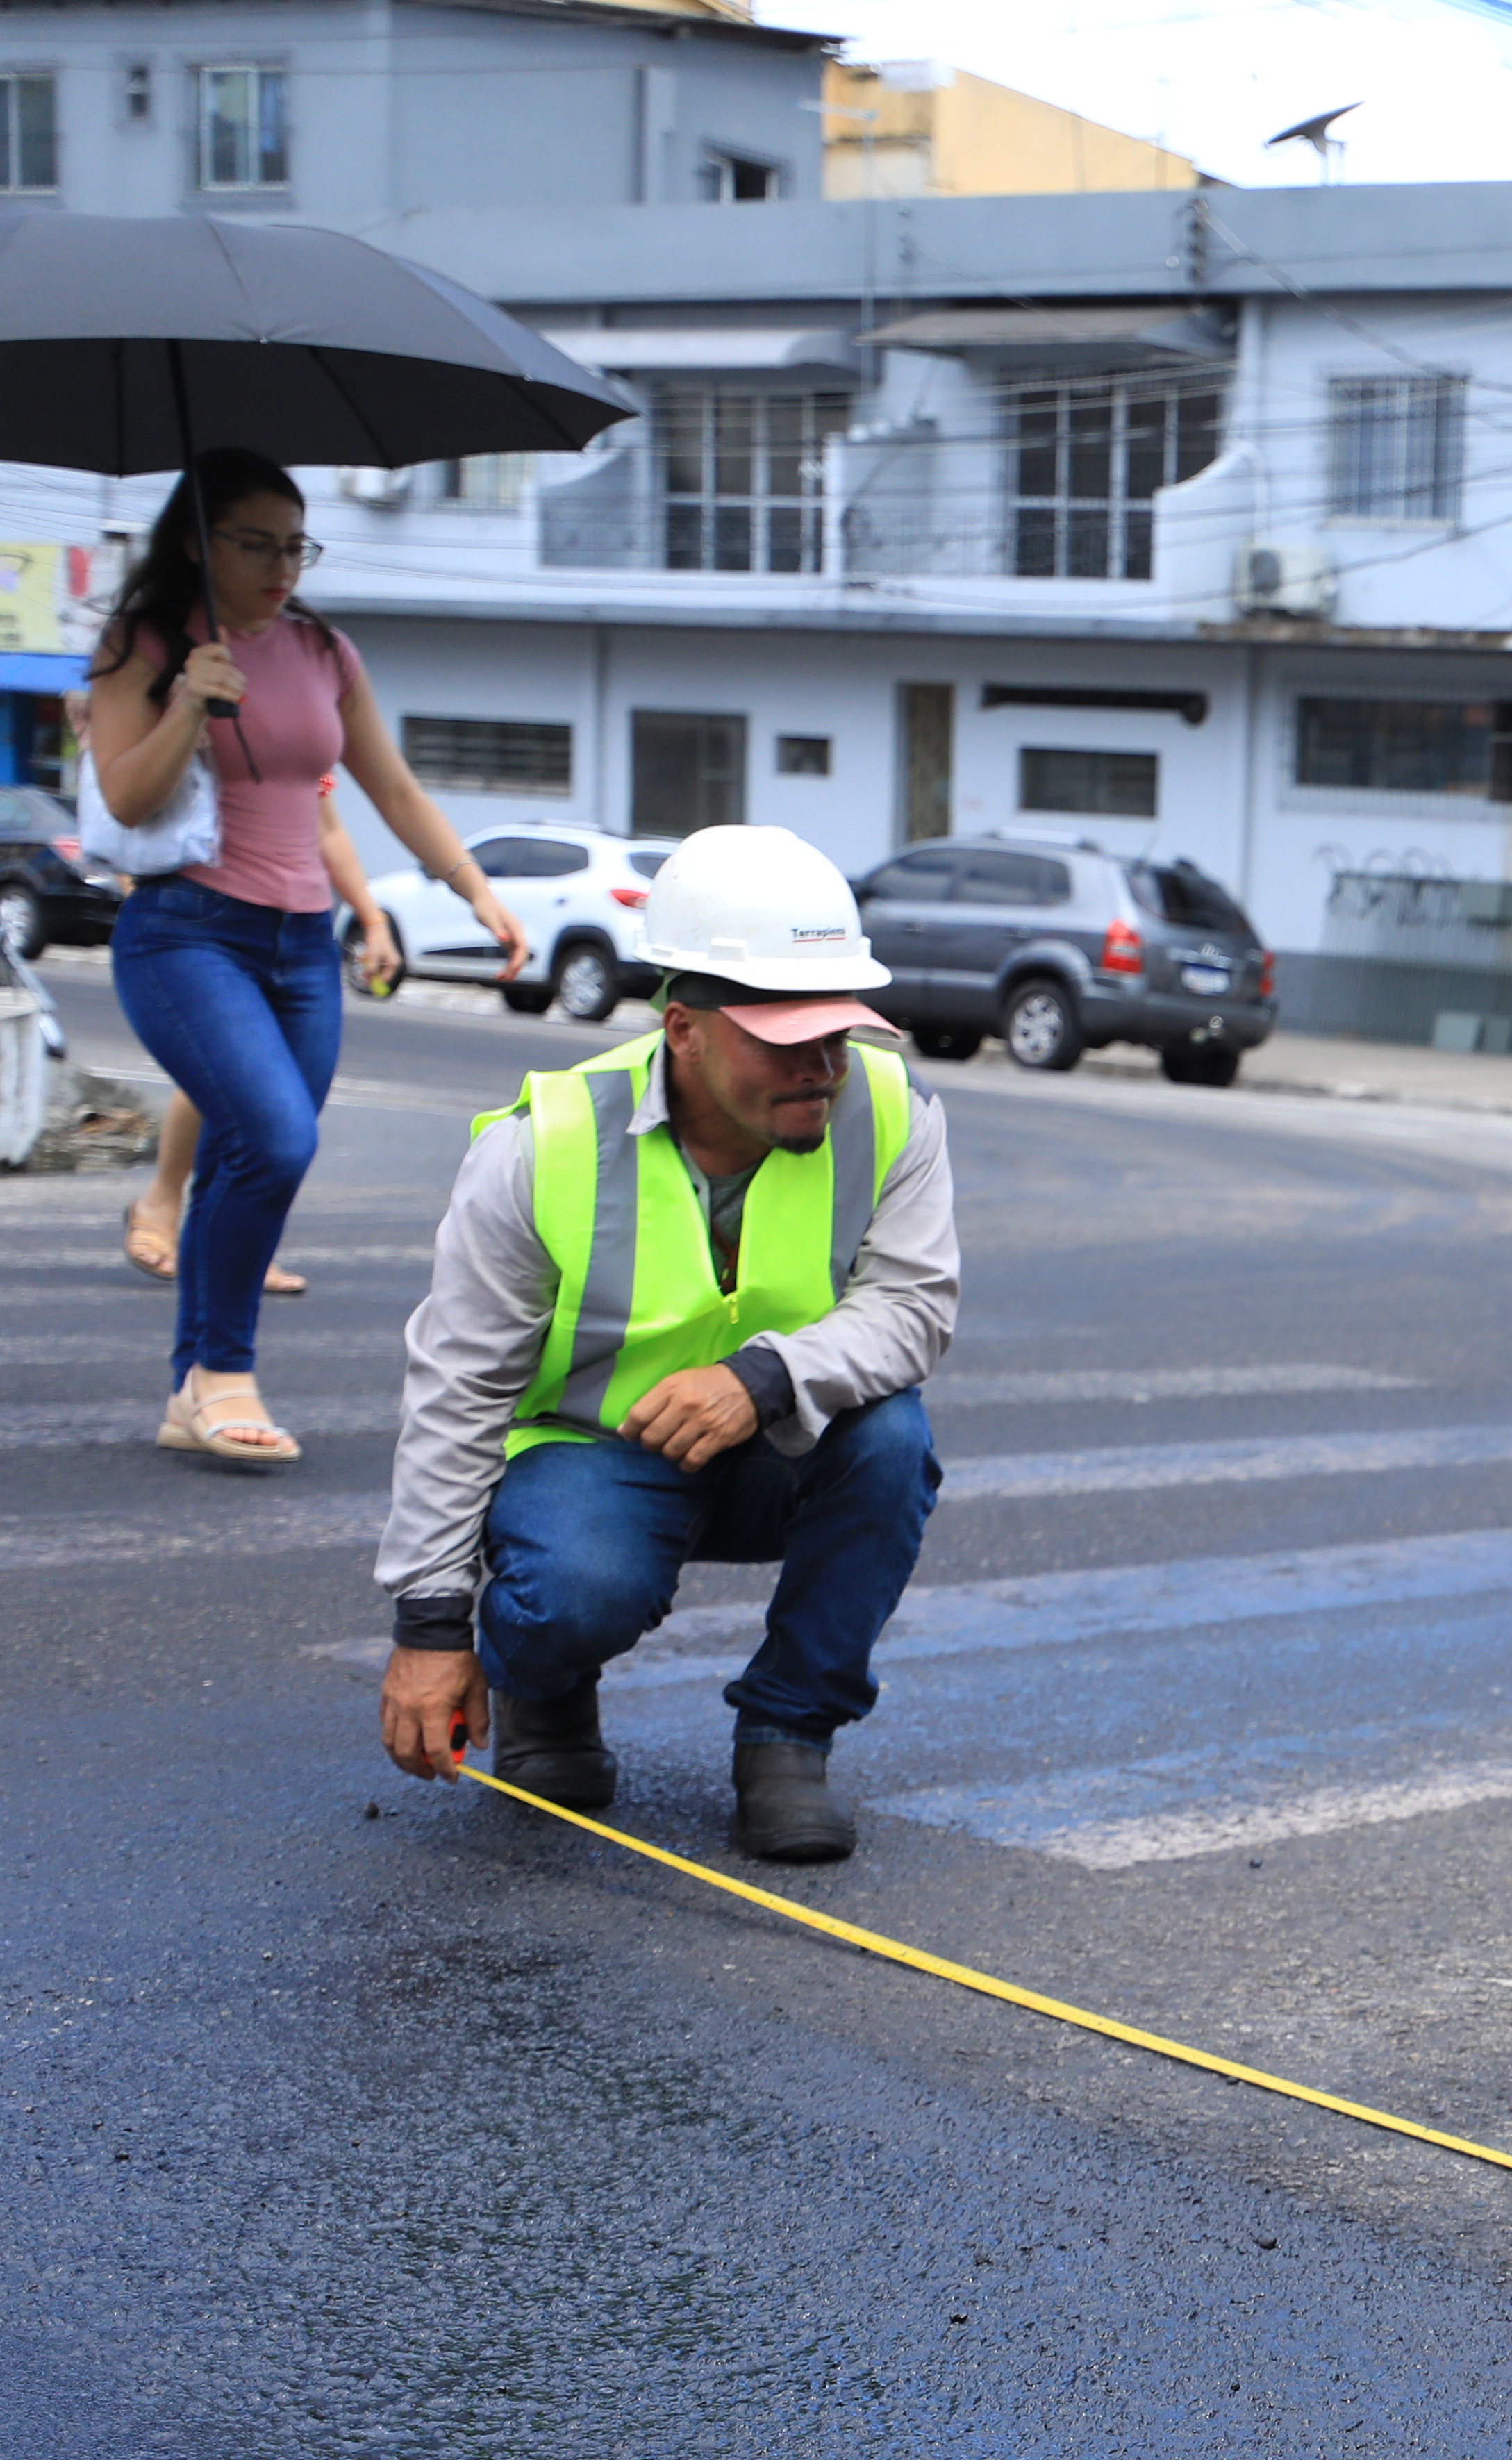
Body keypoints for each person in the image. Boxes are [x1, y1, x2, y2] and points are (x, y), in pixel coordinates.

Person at [374, 826, 957, 1863]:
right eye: (786, 1037)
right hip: (590, 1456)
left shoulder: (891, 1111)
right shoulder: (543, 1147)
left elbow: (914, 1307)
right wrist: (430, 1632)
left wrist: (767, 1376)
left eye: (840, 1031)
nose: (823, 1066)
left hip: (774, 1438)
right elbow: (457, 1390)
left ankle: (788, 1736)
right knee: (570, 1595)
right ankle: (546, 1694)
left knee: (890, 1441)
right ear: (683, 1029)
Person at [81, 448, 522, 1468]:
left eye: (297, 546)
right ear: (197, 544)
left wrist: (475, 890)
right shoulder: (143, 643)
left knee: (248, 1159)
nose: (285, 567)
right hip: (185, 933)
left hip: (301, 946)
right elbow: (125, 799)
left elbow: (392, 787)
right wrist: (187, 701)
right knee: (274, 1142)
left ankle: (195, 1386)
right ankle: (224, 1373)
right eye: (258, 545)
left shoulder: (323, 649)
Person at [122, 793, 404, 1292]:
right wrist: (141, 892)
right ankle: (163, 1202)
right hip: (203, 922)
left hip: (296, 931)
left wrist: (373, 920)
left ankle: (242, 1242)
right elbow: (139, 800)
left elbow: (327, 828)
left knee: (281, 1110)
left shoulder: (303, 732)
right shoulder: (203, 719)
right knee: (228, 1073)